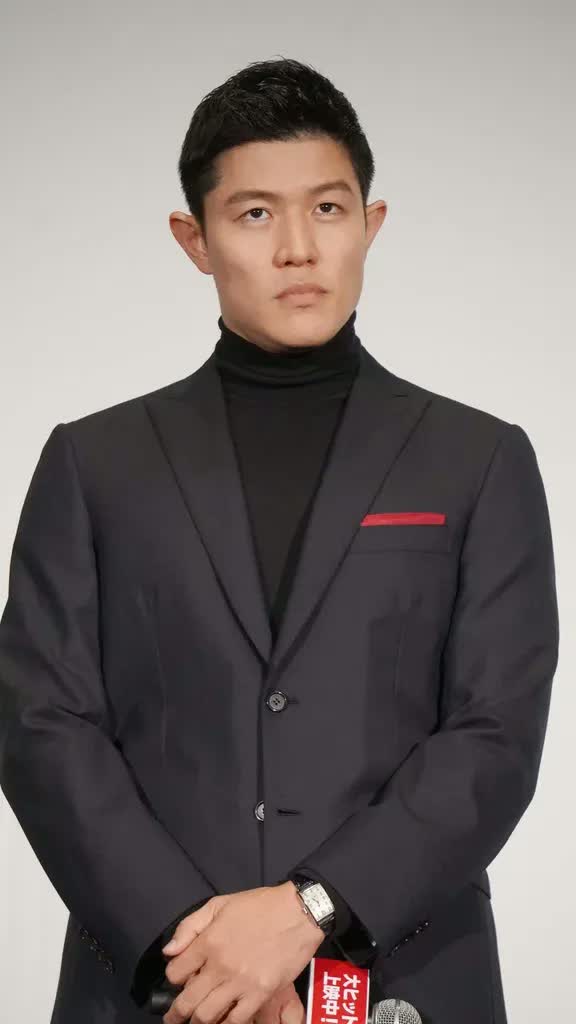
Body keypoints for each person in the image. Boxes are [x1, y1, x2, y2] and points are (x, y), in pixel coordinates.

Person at [0, 56, 558, 1024]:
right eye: (255, 213)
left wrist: (308, 912)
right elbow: (41, 725)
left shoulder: (480, 460)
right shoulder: (94, 464)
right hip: (153, 990)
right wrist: (203, 956)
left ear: (370, 224)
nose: (299, 248)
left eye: (328, 209)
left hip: (406, 984)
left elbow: (495, 737)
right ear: (194, 238)